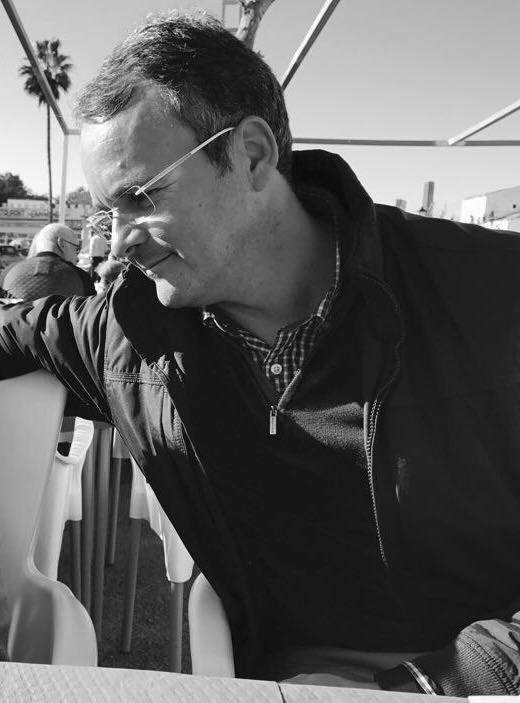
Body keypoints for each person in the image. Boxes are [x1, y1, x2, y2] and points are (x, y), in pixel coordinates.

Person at [1, 12, 520, 696]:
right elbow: (15, 330)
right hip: (278, 680)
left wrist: (428, 684)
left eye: (141, 197)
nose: (119, 240)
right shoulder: (129, 331)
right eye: (106, 213)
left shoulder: (489, 291)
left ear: (251, 154)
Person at [2, 223, 95, 300]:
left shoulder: (6, 273)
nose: (77, 256)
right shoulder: (81, 278)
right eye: (76, 248)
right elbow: (89, 314)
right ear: (62, 244)